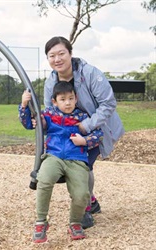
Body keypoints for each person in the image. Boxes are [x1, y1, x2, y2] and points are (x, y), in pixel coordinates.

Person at [35, 36, 124, 229]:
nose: (57, 59)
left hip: (96, 128)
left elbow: (108, 104)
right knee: (69, 165)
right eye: (52, 56)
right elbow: (51, 112)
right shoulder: (50, 83)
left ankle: (84, 210)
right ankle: (90, 200)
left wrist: (86, 126)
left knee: (84, 166)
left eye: (61, 53)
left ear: (70, 53)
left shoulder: (90, 73)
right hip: (68, 132)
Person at [19, 81, 104, 243]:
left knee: (82, 194)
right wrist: (24, 105)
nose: (68, 103)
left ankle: (75, 222)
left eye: (71, 98)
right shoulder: (49, 115)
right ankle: (41, 221)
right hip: (54, 156)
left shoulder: (82, 117)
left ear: (76, 98)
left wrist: (84, 141)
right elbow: (30, 124)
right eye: (63, 99)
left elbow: (99, 135)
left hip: (76, 159)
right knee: (44, 179)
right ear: (54, 101)